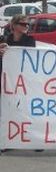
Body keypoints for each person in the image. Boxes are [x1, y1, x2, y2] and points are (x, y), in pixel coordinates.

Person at [0, 15, 37, 154]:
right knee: (7, 110)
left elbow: (29, 56)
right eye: (23, 24)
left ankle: (35, 139)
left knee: (26, 109)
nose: (26, 26)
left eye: (28, 24)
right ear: (14, 25)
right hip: (6, 81)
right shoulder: (5, 40)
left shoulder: (29, 40)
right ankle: (8, 140)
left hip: (23, 80)